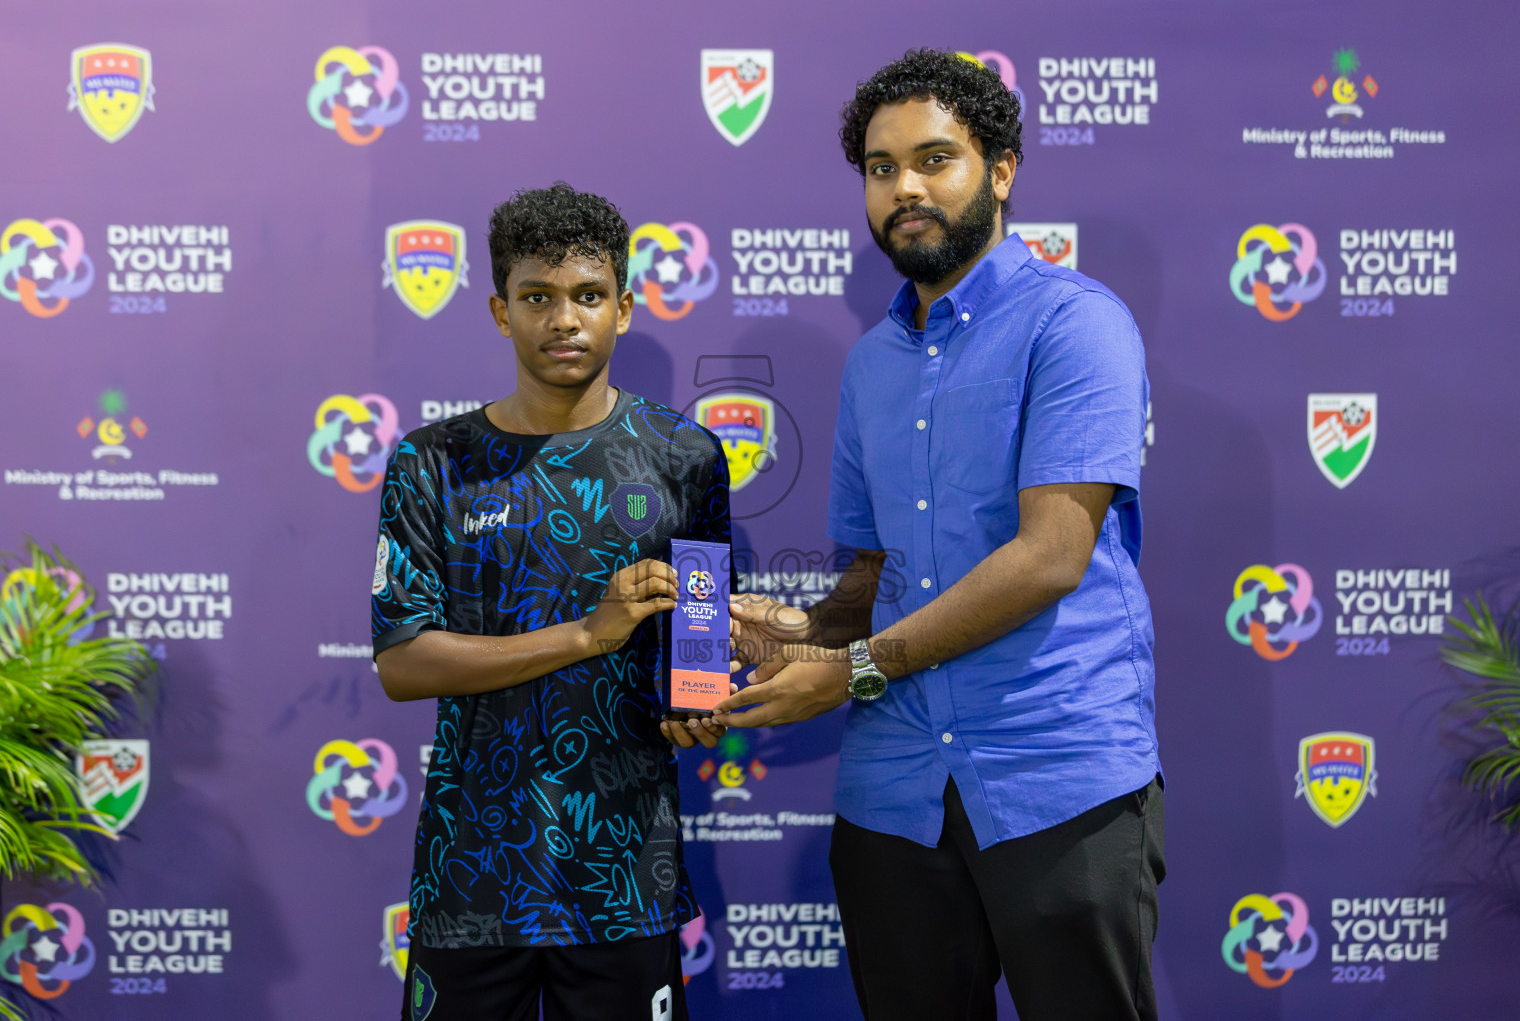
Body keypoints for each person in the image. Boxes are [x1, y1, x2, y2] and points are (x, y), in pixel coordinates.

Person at [713, 50, 1163, 1021]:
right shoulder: (872, 363)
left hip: (1054, 776)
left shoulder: (1077, 327)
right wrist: (786, 629)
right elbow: (874, 576)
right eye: (881, 169)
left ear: (1001, 171)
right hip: (895, 793)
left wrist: (852, 671)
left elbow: (1050, 556)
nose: (905, 188)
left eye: (934, 159)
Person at [371, 182, 728, 1021]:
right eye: (538, 297)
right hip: (474, 874)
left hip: (624, 870)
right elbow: (402, 660)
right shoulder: (432, 462)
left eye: (587, 296)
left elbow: (703, 647)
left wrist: (701, 700)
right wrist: (588, 634)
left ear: (625, 308)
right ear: (501, 312)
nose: (564, 319)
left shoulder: (687, 456)